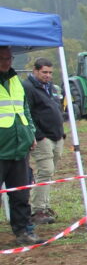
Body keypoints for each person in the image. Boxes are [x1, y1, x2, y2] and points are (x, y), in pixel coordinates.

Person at [0, 46, 41, 246]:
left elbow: (24, 108)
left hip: (19, 147)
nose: (6, 62)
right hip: (1, 149)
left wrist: (30, 132)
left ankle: (24, 231)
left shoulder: (15, 80)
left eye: (9, 58)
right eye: (2, 58)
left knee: (21, 194)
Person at [25, 57, 65, 224]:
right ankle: (37, 210)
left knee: (49, 172)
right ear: (35, 70)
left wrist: (61, 133)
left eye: (50, 72)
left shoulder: (51, 88)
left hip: (57, 136)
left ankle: (45, 206)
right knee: (45, 171)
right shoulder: (28, 88)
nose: (48, 75)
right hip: (43, 138)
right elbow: (28, 113)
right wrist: (39, 135)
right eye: (44, 72)